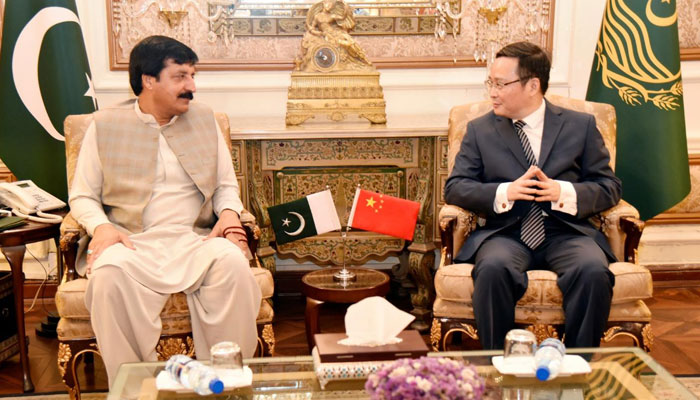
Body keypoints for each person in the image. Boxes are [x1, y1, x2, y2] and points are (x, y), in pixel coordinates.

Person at [69, 35, 262, 385]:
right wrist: (101, 227)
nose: (191, 87)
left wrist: (230, 213)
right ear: (148, 80)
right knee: (108, 277)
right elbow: (82, 196)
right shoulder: (105, 125)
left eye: (192, 76)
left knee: (232, 264)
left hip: (196, 240)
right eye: (180, 77)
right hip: (132, 243)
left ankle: (226, 383)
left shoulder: (205, 121)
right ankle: (134, 387)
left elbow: (224, 186)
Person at [444, 41, 621, 349]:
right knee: (492, 269)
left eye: (501, 84)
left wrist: (563, 192)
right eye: (491, 83)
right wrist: (505, 192)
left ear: (533, 85)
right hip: (506, 233)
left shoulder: (580, 126)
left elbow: (609, 187)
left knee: (592, 271)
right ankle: (499, 369)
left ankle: (575, 372)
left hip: (566, 232)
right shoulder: (479, 130)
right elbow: (456, 186)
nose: (493, 92)